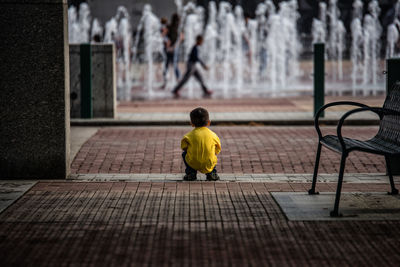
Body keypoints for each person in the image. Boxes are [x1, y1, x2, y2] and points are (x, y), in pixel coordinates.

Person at [181, 107, 221, 181]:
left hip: (193, 162)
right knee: (212, 153)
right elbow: (218, 149)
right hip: (208, 162)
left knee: (184, 154)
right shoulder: (213, 135)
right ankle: (212, 173)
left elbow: (184, 147)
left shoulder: (188, 136)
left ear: (192, 124)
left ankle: (191, 173)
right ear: (208, 122)